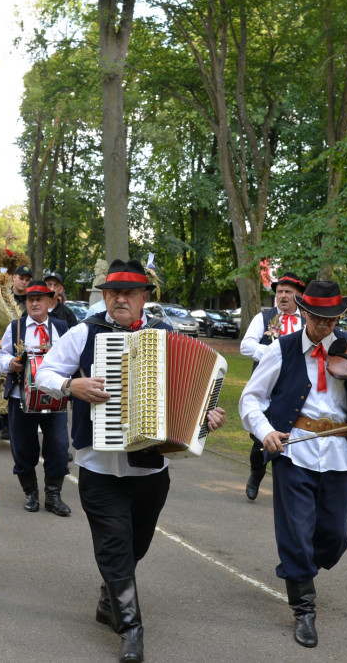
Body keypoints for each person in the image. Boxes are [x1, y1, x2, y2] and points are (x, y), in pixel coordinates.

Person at [36, 258, 227, 663]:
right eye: (112, 293)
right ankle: (132, 630)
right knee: (114, 545)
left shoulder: (164, 333)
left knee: (135, 544)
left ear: (144, 298)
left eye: (129, 293)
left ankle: (110, 597)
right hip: (99, 466)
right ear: (103, 296)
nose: (119, 299)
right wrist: (72, 384)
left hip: (150, 469)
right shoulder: (85, 332)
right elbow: (42, 374)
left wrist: (204, 417)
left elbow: (190, 395)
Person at [239, 279, 347, 648]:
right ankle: (303, 608)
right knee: (296, 532)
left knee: (336, 537)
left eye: (332, 319)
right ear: (303, 313)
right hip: (294, 451)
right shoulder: (281, 349)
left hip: (339, 454)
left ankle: (299, 569)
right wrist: (265, 431)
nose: (325, 326)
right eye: (318, 317)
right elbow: (250, 400)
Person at [0, 282, 71, 516]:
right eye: (30, 299)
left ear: (51, 302)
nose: (35, 303)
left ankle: (53, 496)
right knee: (23, 447)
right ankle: (30, 492)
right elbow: (0, 355)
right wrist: (9, 363)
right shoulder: (16, 326)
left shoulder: (62, 327)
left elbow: (73, 357)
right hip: (21, 397)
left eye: (40, 299)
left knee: (58, 447)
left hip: (56, 399)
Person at [238, 272, 306, 501]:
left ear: (299, 295)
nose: (283, 296)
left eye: (288, 292)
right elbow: (246, 346)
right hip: (266, 389)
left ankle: (290, 486)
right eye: (279, 292)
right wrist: (273, 354)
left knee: (293, 436)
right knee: (260, 440)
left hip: (296, 391)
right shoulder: (264, 317)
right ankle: (256, 474)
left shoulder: (307, 320)